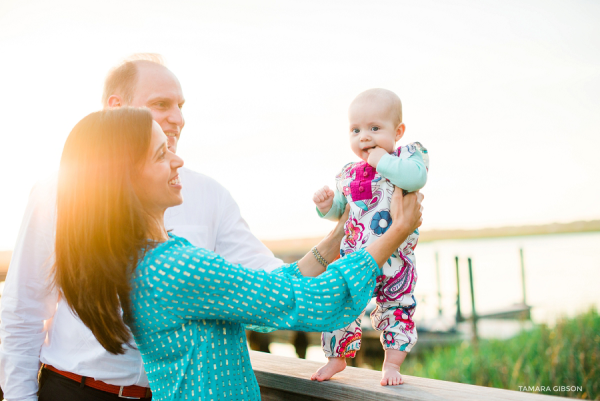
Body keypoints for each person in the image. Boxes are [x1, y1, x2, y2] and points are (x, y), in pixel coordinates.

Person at [0, 54, 344, 400]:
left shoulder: (209, 195)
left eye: (180, 105)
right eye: (161, 104)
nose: (178, 118)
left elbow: (268, 288)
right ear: (116, 108)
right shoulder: (58, 191)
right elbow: (23, 309)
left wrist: (338, 240)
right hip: (74, 389)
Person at [54, 107, 425, 400]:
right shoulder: (173, 267)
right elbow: (314, 302)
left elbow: (262, 299)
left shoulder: (154, 257)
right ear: (125, 180)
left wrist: (339, 234)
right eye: (159, 154)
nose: (177, 160)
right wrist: (394, 233)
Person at [311, 88, 429, 386]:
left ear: (398, 131)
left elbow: (416, 178)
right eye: (356, 130)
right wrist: (326, 206)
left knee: (397, 306)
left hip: (395, 262)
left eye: (375, 129)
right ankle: (336, 358)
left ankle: (391, 365)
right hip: (356, 259)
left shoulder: (406, 158)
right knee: (340, 304)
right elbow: (343, 211)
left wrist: (381, 160)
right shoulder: (349, 173)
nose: (364, 137)